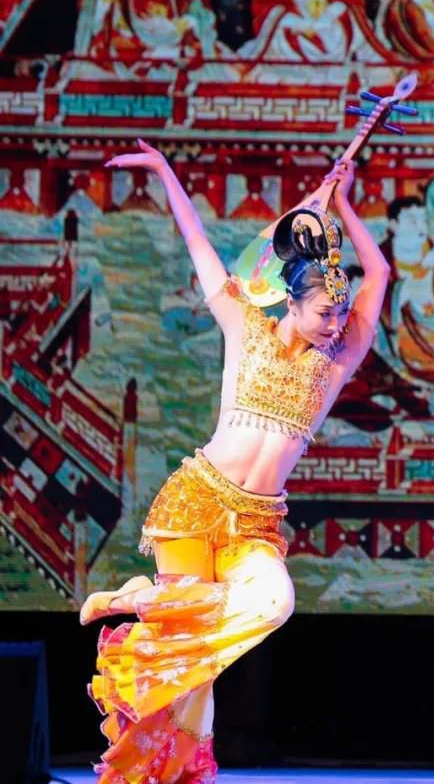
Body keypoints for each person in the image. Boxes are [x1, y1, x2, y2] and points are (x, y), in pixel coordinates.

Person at [79, 138, 389, 783]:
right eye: (325, 312)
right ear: (291, 303)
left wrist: (346, 206)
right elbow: (199, 245)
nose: (336, 324)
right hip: (197, 500)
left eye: (341, 313)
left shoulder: (337, 360)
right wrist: (164, 170)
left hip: (254, 521)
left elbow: (379, 274)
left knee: (272, 604)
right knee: (191, 681)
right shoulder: (244, 325)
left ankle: (145, 604)